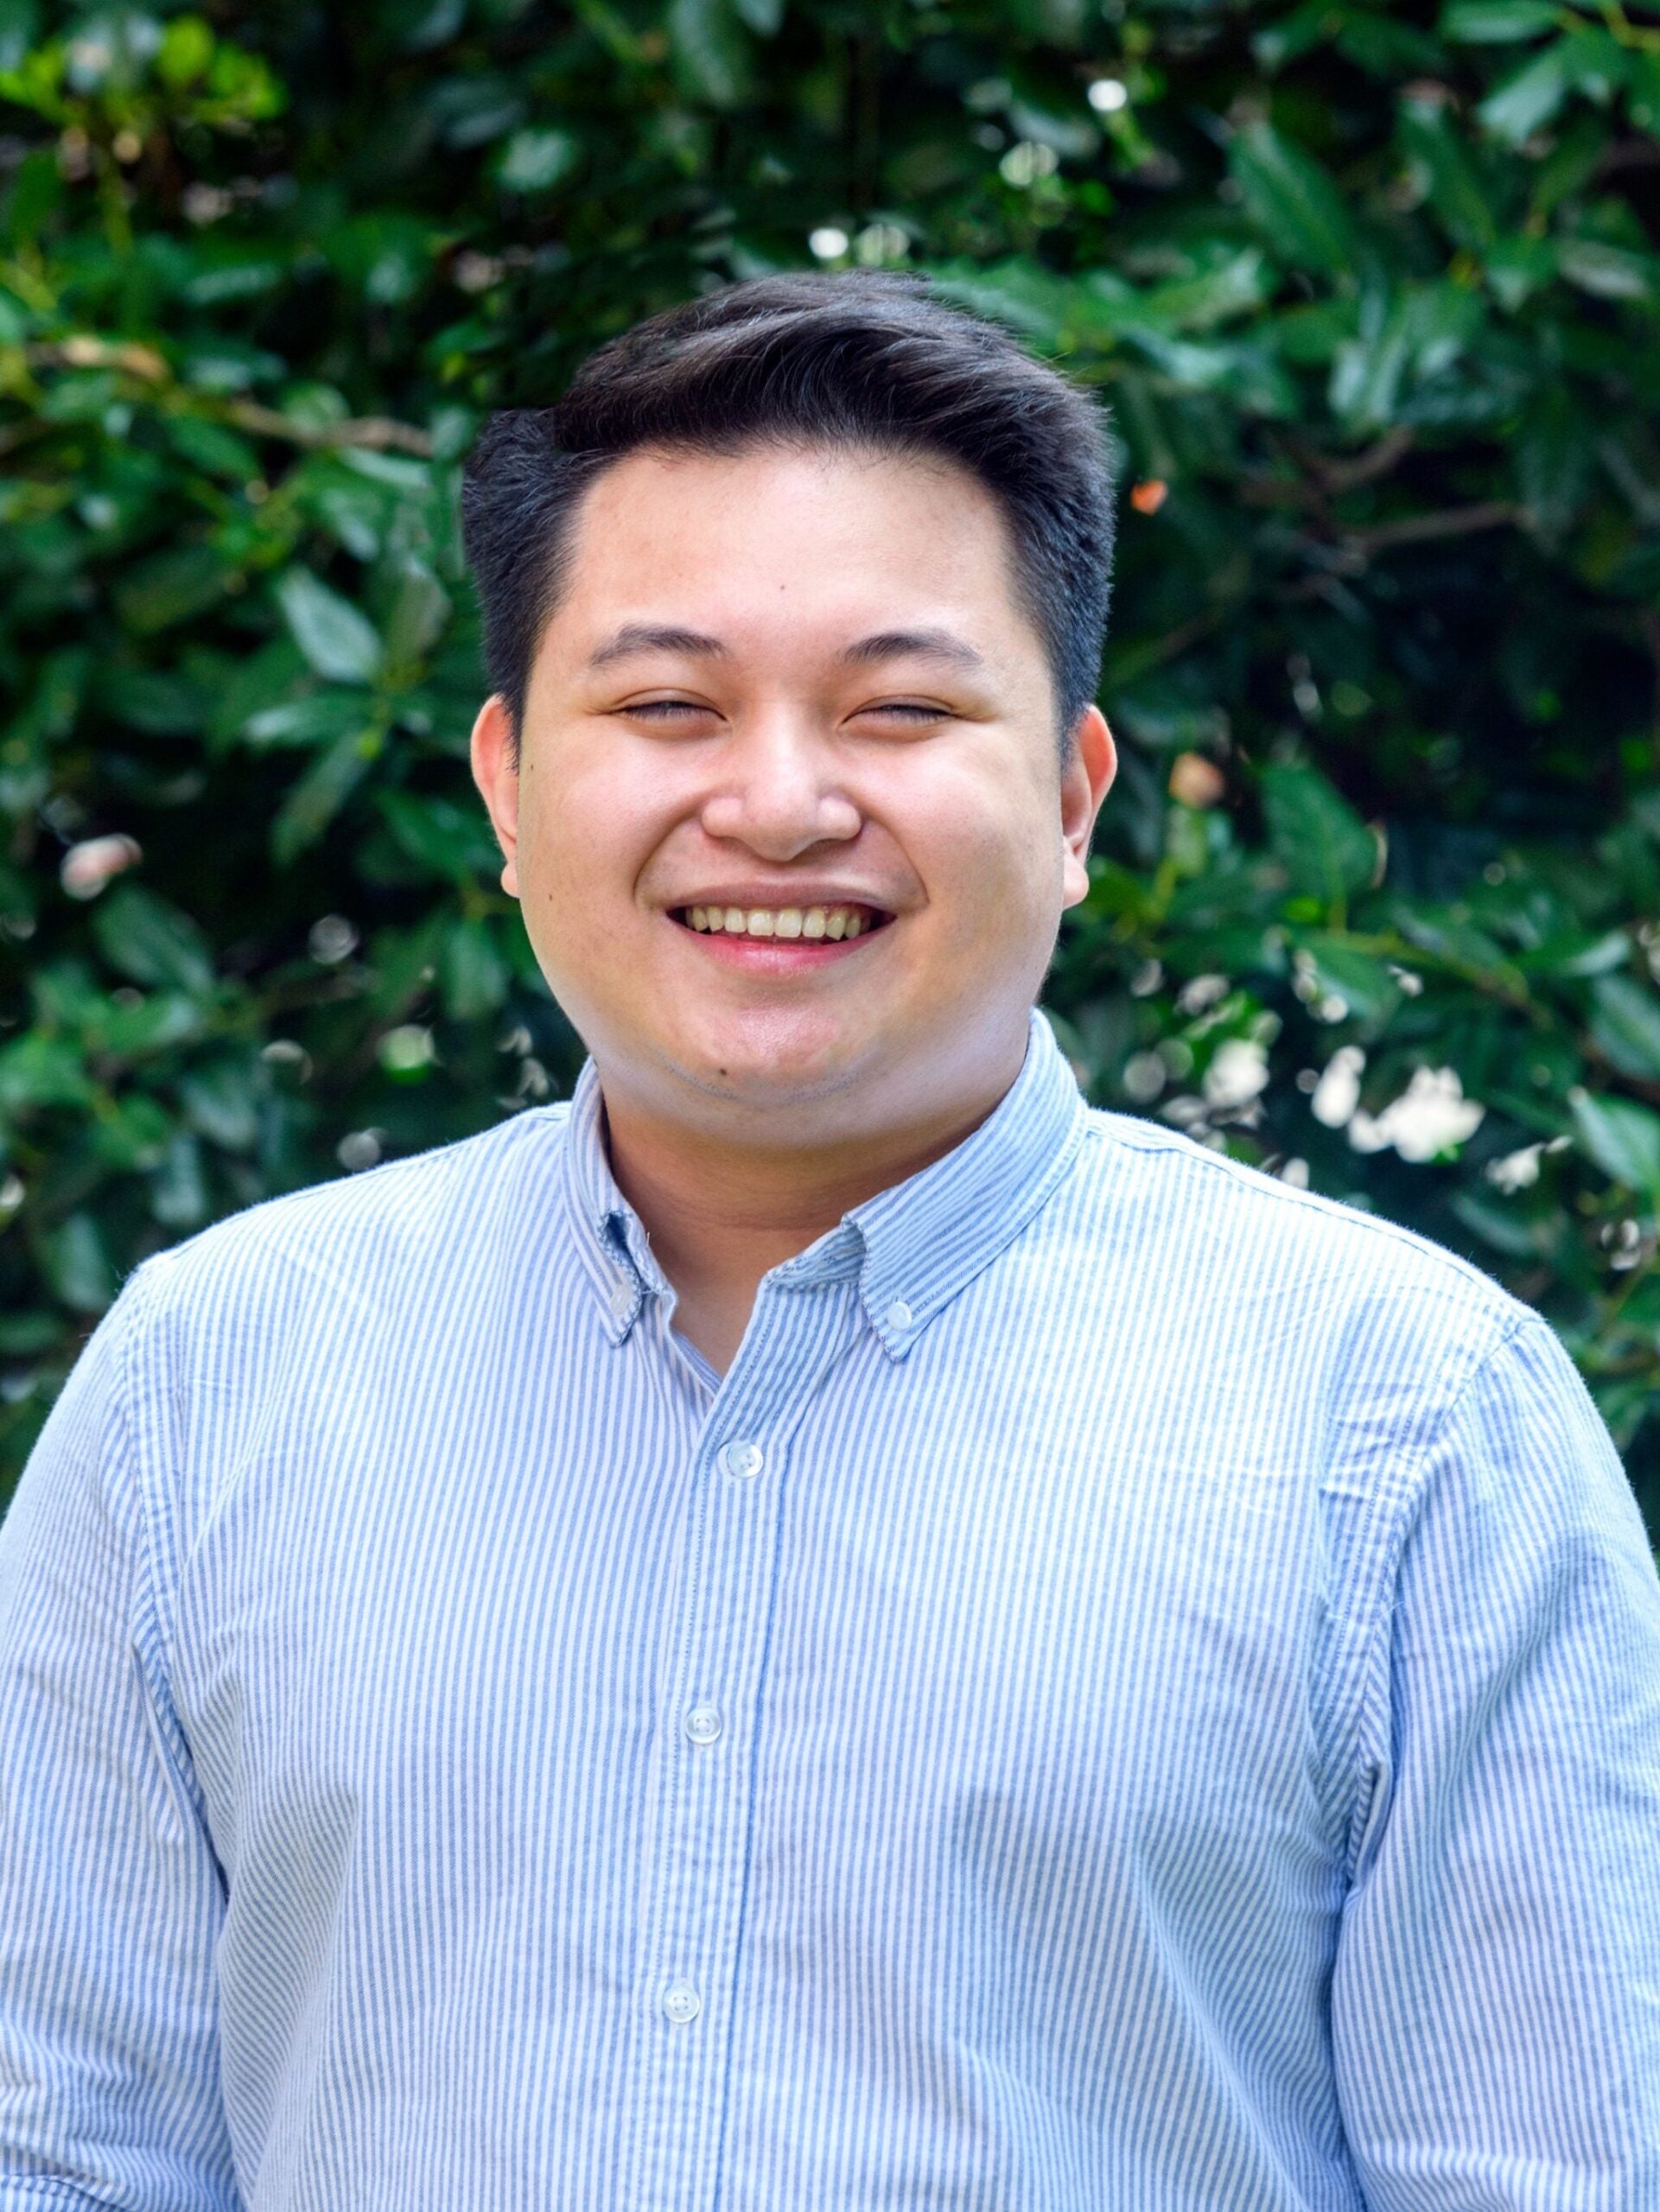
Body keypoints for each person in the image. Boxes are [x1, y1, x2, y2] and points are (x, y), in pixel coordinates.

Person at [1, 272, 1657, 2212]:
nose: (778, 805)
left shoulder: (1408, 1420)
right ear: (506, 787)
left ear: (1071, 798)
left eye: (900, 708)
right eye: (667, 705)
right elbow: (66, 2151)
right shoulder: (207, 1382)